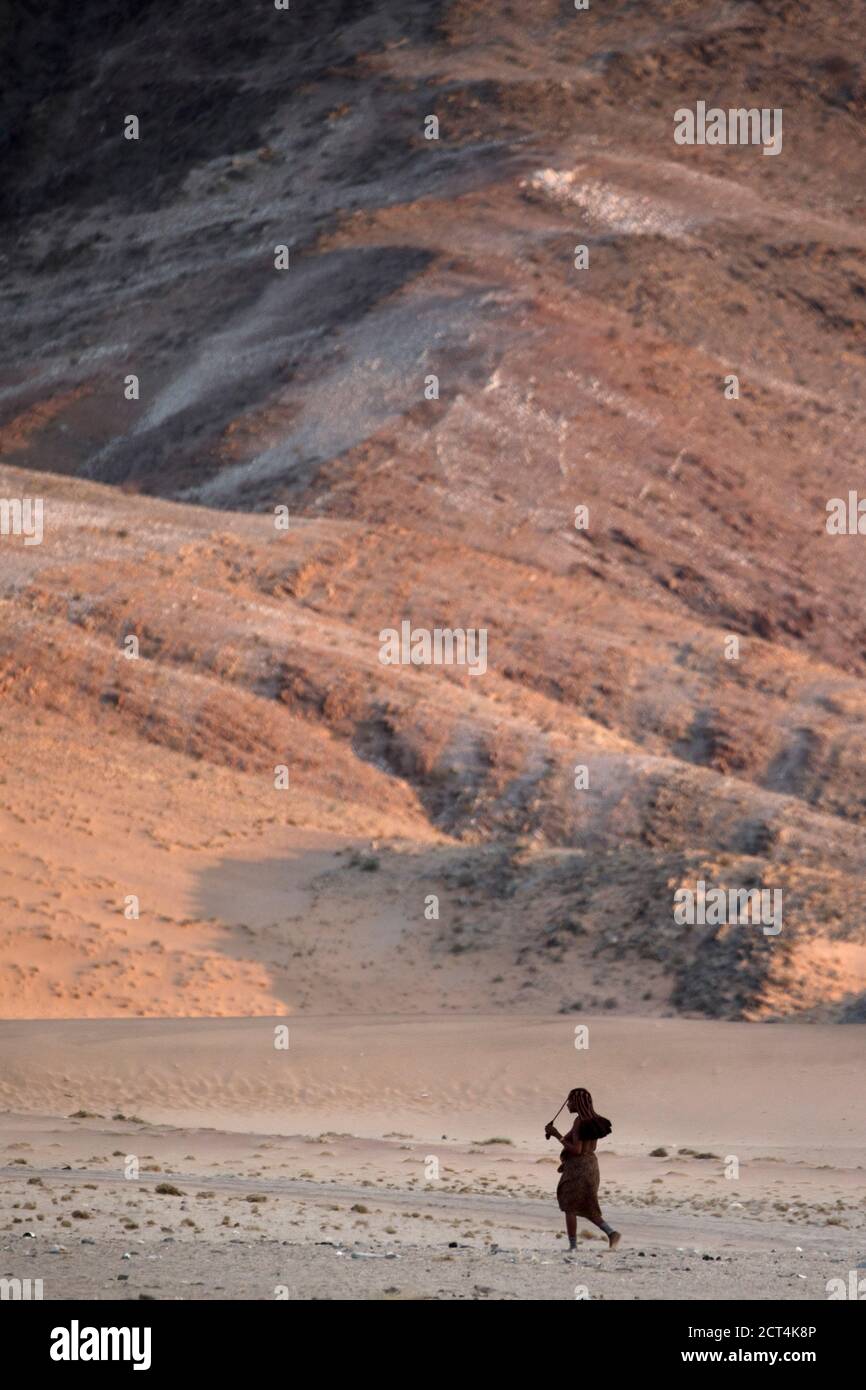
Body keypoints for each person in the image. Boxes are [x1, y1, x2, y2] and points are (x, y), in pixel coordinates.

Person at [545, 1087, 621, 1252]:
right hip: (591, 1165)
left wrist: (556, 1134)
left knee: (570, 1205)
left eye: (570, 1101)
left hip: (579, 1167)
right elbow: (575, 1142)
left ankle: (573, 1247)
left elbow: (577, 1149)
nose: (568, 1105)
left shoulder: (580, 1122)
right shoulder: (591, 1120)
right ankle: (611, 1233)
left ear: (577, 1102)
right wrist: (556, 1134)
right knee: (586, 1204)